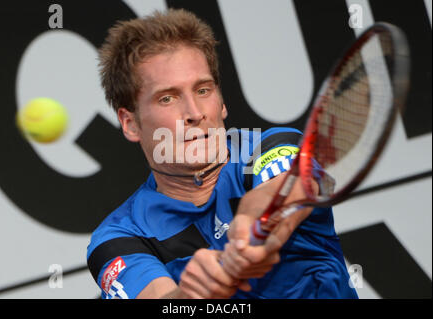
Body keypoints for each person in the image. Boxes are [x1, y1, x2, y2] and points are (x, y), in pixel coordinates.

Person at [86, 9, 358, 299]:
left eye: (203, 90)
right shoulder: (117, 237)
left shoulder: (274, 145)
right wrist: (190, 296)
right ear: (130, 124)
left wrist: (252, 227)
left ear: (222, 102)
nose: (194, 113)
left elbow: (283, 191)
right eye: (167, 98)